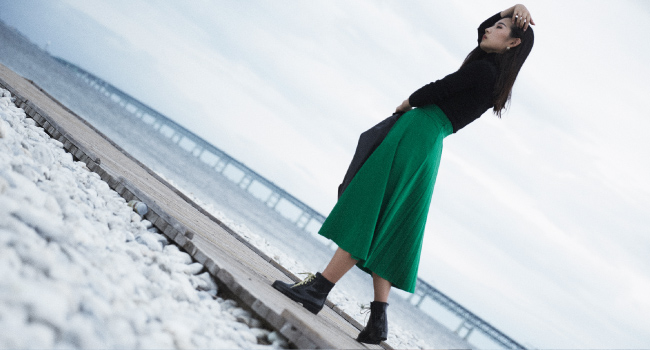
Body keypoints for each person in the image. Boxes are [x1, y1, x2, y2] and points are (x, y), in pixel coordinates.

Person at [273, 4, 535, 344]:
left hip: (417, 132)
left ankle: (318, 289)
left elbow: (440, 87)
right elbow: (480, 31)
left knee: (373, 210)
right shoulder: (495, 76)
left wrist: (407, 102)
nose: (489, 29)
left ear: (513, 43)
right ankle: (378, 320)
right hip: (427, 141)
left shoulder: (485, 70)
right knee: (390, 223)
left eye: (500, 28)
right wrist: (513, 9)